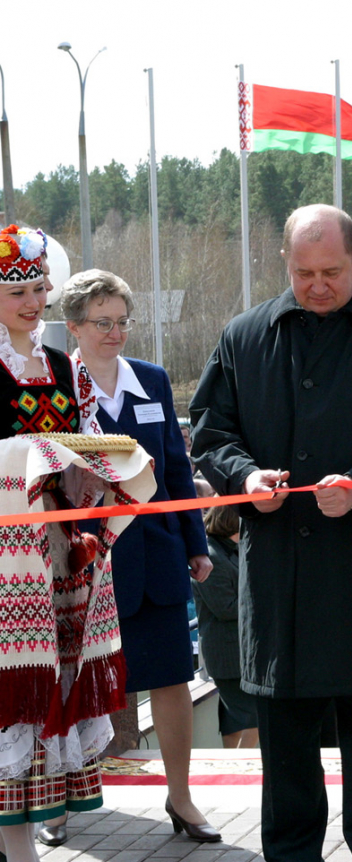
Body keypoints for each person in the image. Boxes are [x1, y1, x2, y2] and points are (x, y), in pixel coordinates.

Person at [190, 203, 352, 862]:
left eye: (331, 271)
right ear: (285, 262)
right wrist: (245, 478)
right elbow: (211, 432)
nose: (317, 285)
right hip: (283, 594)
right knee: (288, 789)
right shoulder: (245, 336)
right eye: (304, 272)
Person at [59, 269, 218, 843]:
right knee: (72, 687)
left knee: (174, 678)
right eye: (102, 322)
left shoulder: (150, 379)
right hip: (84, 562)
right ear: (73, 325)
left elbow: (176, 470)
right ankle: (58, 804)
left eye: (122, 321)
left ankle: (182, 798)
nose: (115, 333)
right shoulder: (55, 386)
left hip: (157, 557)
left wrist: (195, 544)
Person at [0, 227, 130, 862]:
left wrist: (100, 468)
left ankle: (21, 841)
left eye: (38, 288)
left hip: (54, 553)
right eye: (17, 290)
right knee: (11, 694)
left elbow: (89, 444)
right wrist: (29, 457)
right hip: (3, 562)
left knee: (45, 686)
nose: (32, 301)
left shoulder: (61, 366)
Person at [194, 503, 259, 749]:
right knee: (255, 717)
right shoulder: (212, 555)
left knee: (234, 719)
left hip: (238, 651)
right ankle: (239, 769)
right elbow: (226, 608)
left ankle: (231, 764)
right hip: (227, 653)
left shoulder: (230, 550)